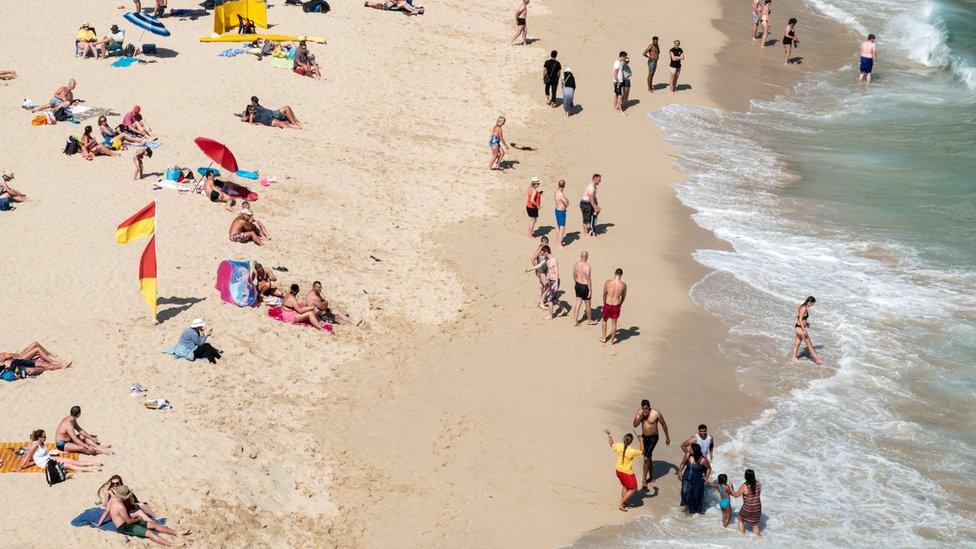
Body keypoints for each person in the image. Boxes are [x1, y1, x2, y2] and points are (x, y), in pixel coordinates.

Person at [107, 485, 189, 545]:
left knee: (153, 524)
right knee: (149, 533)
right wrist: (138, 519)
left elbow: (109, 511)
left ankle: (176, 532)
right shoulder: (120, 506)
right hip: (123, 526)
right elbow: (128, 521)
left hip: (126, 520)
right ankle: (171, 544)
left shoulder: (113, 498)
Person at [19, 429, 101, 473]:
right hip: (45, 463)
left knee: (71, 460)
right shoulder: (35, 445)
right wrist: (20, 467)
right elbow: (28, 457)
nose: (45, 438)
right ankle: (91, 469)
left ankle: (92, 464)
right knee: (68, 465)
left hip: (49, 458)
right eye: (44, 437)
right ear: (39, 438)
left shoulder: (42, 443)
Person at [632, 399, 670, 488]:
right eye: (644, 408)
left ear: (650, 407)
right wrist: (641, 416)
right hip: (645, 437)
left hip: (653, 437)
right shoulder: (640, 412)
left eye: (647, 408)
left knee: (645, 458)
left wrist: (667, 437)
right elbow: (635, 424)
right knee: (649, 457)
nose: (646, 410)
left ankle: (644, 480)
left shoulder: (656, 413)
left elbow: (663, 424)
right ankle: (652, 477)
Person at [604, 428, 643, 511]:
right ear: (631, 441)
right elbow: (642, 452)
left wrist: (609, 434)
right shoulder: (632, 451)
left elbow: (611, 444)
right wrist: (641, 441)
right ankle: (621, 503)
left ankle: (624, 502)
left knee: (625, 486)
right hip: (627, 473)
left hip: (618, 471)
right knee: (633, 488)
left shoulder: (619, 446)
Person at [525, 245, 559, 319]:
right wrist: (530, 269)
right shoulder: (547, 259)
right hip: (551, 281)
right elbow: (539, 265)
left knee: (550, 299)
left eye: (543, 253)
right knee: (553, 299)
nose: (542, 255)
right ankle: (563, 309)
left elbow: (557, 272)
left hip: (554, 281)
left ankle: (550, 315)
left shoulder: (553, 260)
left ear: (546, 253)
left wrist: (556, 284)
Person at [677, 443, 711, 515]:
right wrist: (680, 472)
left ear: (695, 451)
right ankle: (687, 509)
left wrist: (706, 478)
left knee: (695, 495)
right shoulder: (687, 455)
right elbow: (683, 463)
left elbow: (708, 468)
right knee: (685, 493)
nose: (689, 450)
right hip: (686, 478)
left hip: (697, 480)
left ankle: (692, 511)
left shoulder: (703, 460)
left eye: (691, 449)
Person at [790, 296, 824, 364]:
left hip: (798, 328)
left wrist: (806, 323)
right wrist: (804, 329)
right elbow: (800, 318)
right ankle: (818, 360)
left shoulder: (801, 306)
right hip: (800, 329)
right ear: (809, 302)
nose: (812, 305)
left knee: (797, 343)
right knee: (809, 345)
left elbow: (798, 316)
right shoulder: (804, 308)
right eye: (812, 304)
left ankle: (793, 357)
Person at [731, 469, 763, 535]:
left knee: (741, 519)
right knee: (755, 525)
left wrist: (731, 489)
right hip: (757, 507)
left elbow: (735, 495)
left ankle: (742, 536)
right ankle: (757, 540)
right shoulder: (758, 484)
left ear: (745, 477)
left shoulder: (744, 486)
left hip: (748, 507)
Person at [600, 268, 626, 345]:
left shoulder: (608, 282)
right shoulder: (623, 285)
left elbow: (604, 294)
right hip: (616, 305)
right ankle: (612, 340)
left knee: (604, 320)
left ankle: (604, 337)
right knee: (614, 323)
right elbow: (623, 297)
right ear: (621, 275)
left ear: (615, 273)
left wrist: (604, 303)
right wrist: (620, 304)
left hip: (608, 304)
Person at [571, 251, 596, 326]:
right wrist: (590, 290)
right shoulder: (587, 266)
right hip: (585, 286)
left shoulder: (576, 264)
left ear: (580, 256)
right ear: (587, 257)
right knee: (587, 304)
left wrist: (576, 282)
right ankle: (589, 320)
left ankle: (575, 321)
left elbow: (574, 274)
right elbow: (588, 279)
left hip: (578, 284)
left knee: (578, 302)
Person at [529, 236, 551, 308]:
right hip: (540, 271)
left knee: (541, 285)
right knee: (547, 286)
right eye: (544, 242)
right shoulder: (540, 250)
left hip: (545, 271)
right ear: (541, 242)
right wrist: (537, 268)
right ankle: (542, 302)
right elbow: (532, 259)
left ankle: (540, 300)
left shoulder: (546, 250)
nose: (546, 244)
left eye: (547, 243)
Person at [553, 179, 568, 245]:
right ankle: (559, 243)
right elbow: (566, 203)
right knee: (562, 227)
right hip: (561, 211)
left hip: (557, 210)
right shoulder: (560, 194)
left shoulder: (556, 191)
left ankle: (558, 241)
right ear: (564, 186)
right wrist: (567, 200)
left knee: (558, 226)